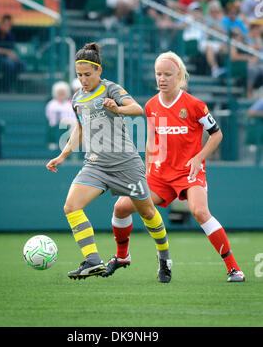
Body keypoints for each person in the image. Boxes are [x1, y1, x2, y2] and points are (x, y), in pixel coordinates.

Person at [108, 51, 245, 283]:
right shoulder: (151, 106)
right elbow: (152, 141)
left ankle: (234, 268)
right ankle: (122, 257)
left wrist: (199, 157)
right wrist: (147, 169)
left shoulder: (194, 105)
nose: (162, 78)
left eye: (167, 74)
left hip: (189, 172)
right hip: (161, 175)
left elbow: (217, 134)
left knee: (200, 211)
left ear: (179, 75)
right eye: (158, 74)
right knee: (121, 207)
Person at [46, 42, 172, 282]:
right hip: (95, 165)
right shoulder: (77, 99)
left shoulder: (110, 89)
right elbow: (79, 130)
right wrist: (62, 156)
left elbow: (138, 109)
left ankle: (164, 258)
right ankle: (92, 260)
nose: (83, 80)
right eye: (79, 75)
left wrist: (118, 108)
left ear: (99, 71)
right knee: (71, 206)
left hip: (126, 165)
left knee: (147, 212)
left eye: (87, 74)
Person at [0, 14, 25, 92]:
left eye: (9, 25)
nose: (7, 27)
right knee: (9, 64)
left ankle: (6, 85)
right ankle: (5, 87)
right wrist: (5, 52)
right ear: (1, 24)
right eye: (5, 24)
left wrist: (13, 55)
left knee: (21, 64)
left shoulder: (10, 35)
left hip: (6, 59)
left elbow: (12, 50)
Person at [45, 81, 77, 150]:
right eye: (59, 94)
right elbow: (50, 117)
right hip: (55, 124)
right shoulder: (51, 104)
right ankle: (52, 142)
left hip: (67, 125)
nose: (61, 96)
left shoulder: (69, 104)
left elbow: (73, 117)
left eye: (63, 94)